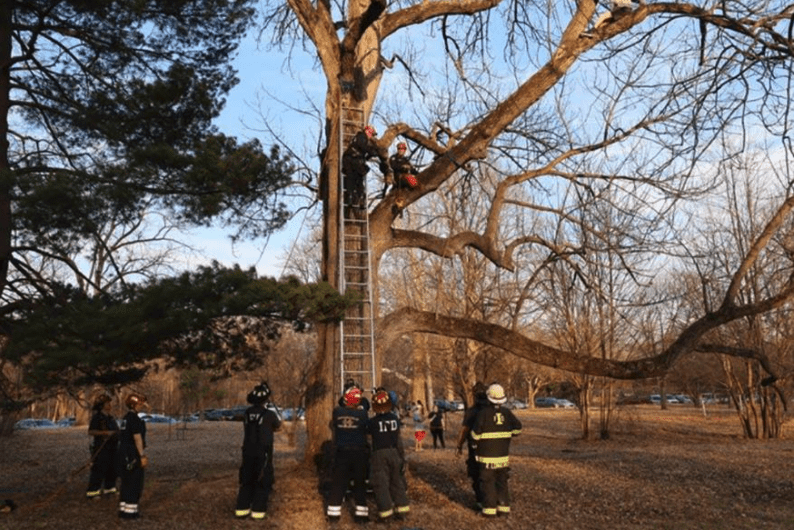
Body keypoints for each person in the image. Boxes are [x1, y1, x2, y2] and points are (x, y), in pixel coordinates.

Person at [470, 383, 522, 518]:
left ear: (489, 397)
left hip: (486, 457)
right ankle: (504, 508)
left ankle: (489, 511)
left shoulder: (483, 414)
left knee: (488, 483)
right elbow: (518, 429)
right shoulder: (507, 413)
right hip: (503, 456)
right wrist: (507, 434)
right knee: (502, 482)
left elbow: (475, 434)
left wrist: (474, 445)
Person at [235, 382, 282, 521]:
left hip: (247, 451)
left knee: (247, 480)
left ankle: (241, 510)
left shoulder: (247, 413)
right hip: (263, 452)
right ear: (266, 400)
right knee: (263, 480)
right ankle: (258, 511)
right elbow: (278, 425)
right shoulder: (269, 414)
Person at [326, 387, 370, 523]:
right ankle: (361, 515)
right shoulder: (362, 415)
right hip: (358, 452)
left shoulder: (337, 412)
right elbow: (366, 428)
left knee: (338, 483)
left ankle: (333, 514)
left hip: (341, 452)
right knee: (359, 483)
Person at [367, 390, 410, 522]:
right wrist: (402, 457)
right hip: (395, 452)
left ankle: (386, 514)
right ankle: (402, 511)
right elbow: (398, 440)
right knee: (397, 481)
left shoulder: (372, 422)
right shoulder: (394, 419)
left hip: (379, 454)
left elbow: (369, 440)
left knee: (381, 484)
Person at [457, 381, 489, 509]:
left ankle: (481, 501)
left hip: (475, 448)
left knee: (476, 475)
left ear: (474, 395)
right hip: (493, 449)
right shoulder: (492, 410)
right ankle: (493, 501)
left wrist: (459, 445)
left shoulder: (471, 411)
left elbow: (464, 430)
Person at [341, 125, 389, 208]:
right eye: (371, 134)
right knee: (354, 177)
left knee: (355, 179)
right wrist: (372, 151)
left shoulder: (363, 139)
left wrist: (375, 152)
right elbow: (364, 147)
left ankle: (356, 198)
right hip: (351, 159)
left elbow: (367, 151)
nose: (371, 136)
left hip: (352, 160)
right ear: (368, 131)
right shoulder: (361, 136)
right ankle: (353, 197)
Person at [118, 393, 148, 520]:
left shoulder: (125, 418)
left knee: (125, 482)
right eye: (140, 403)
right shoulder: (134, 419)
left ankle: (123, 510)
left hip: (123, 454)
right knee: (134, 482)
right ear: (134, 404)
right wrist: (141, 456)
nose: (142, 406)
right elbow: (137, 438)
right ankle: (131, 513)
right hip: (133, 454)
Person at [86, 394, 119, 500]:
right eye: (107, 403)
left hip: (112, 447)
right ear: (102, 405)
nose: (110, 405)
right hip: (101, 448)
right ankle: (93, 492)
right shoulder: (97, 417)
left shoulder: (111, 417)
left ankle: (110, 489)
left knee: (112, 469)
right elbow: (91, 431)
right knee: (99, 469)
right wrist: (105, 433)